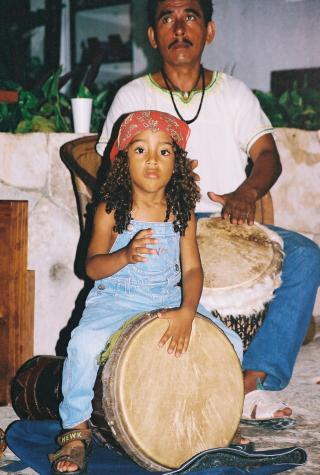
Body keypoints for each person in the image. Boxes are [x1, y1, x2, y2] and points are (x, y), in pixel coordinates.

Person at [97, 0, 320, 423]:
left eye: (190, 16)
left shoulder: (234, 93)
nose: (179, 27)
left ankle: (251, 382)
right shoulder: (133, 96)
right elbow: (112, 168)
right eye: (167, 17)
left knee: (307, 256)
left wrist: (245, 192)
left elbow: (268, 155)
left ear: (209, 30)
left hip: (226, 220)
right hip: (161, 224)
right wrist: (161, 188)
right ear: (153, 35)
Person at [49, 110, 243, 474]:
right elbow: (90, 267)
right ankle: (75, 430)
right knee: (83, 345)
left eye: (164, 151)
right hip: (116, 298)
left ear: (178, 164)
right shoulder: (110, 209)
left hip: (166, 297)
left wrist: (187, 311)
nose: (153, 159)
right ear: (123, 161)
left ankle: (219, 421)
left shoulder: (181, 211)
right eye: (140, 150)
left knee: (230, 342)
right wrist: (123, 255)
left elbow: (192, 268)